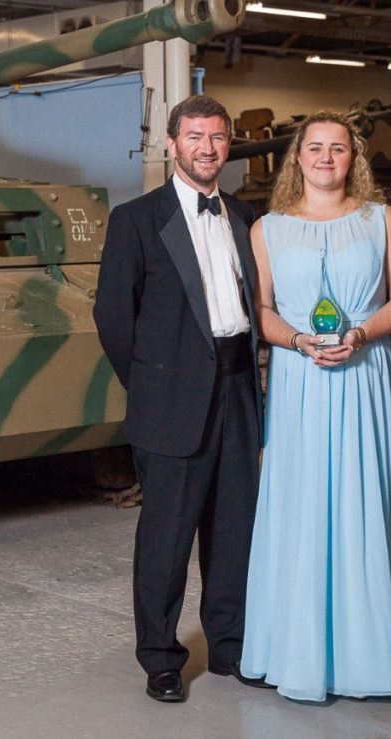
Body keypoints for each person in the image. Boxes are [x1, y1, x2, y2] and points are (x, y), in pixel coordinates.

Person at [94, 95, 269, 703]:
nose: (207, 147)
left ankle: (230, 646)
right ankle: (162, 658)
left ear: (228, 146)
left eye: (218, 137)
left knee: (235, 530)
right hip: (170, 399)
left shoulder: (247, 216)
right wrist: (153, 386)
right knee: (166, 538)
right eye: (195, 136)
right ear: (172, 143)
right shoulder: (137, 220)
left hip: (240, 391)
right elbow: (114, 319)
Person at [239, 110, 391, 702]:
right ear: (298, 158)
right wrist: (297, 340)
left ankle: (368, 659)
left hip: (362, 377)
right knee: (302, 503)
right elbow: (261, 312)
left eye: (337, 148)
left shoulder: (380, 219)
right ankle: (295, 651)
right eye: (313, 148)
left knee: (361, 501)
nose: (324, 157)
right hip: (299, 380)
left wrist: (362, 334)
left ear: (353, 158)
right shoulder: (266, 228)